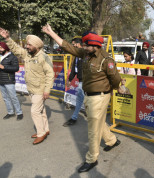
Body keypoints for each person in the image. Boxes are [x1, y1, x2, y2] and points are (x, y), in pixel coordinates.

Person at [42, 24, 121, 173]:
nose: (83, 46)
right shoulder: (86, 54)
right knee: (99, 122)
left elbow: (115, 80)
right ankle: (112, 140)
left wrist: (108, 90)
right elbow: (67, 46)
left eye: (86, 44)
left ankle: (92, 159)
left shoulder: (106, 60)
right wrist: (51, 32)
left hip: (99, 97)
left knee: (92, 130)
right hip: (89, 96)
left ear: (95, 45)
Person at [0, 28, 54, 145]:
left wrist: (47, 90)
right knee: (41, 110)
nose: (27, 46)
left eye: (29, 45)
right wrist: (7, 39)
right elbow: (16, 49)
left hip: (40, 89)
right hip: (31, 88)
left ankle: (40, 134)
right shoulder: (27, 55)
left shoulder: (44, 57)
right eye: (27, 44)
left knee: (35, 111)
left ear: (36, 46)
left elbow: (50, 74)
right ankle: (45, 129)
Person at [63, 37, 86, 127]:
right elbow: (74, 69)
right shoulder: (76, 55)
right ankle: (74, 117)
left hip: (87, 81)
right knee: (80, 98)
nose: (73, 46)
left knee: (83, 99)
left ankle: (74, 117)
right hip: (81, 80)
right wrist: (69, 79)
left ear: (78, 44)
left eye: (73, 44)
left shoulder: (84, 54)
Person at [0, 42, 23, 120]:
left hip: (9, 80)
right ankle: (10, 112)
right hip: (1, 81)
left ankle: (19, 113)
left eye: (1, 48)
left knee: (13, 97)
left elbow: (16, 68)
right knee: (5, 98)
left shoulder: (12, 57)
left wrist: (3, 67)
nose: (0, 50)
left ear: (5, 48)